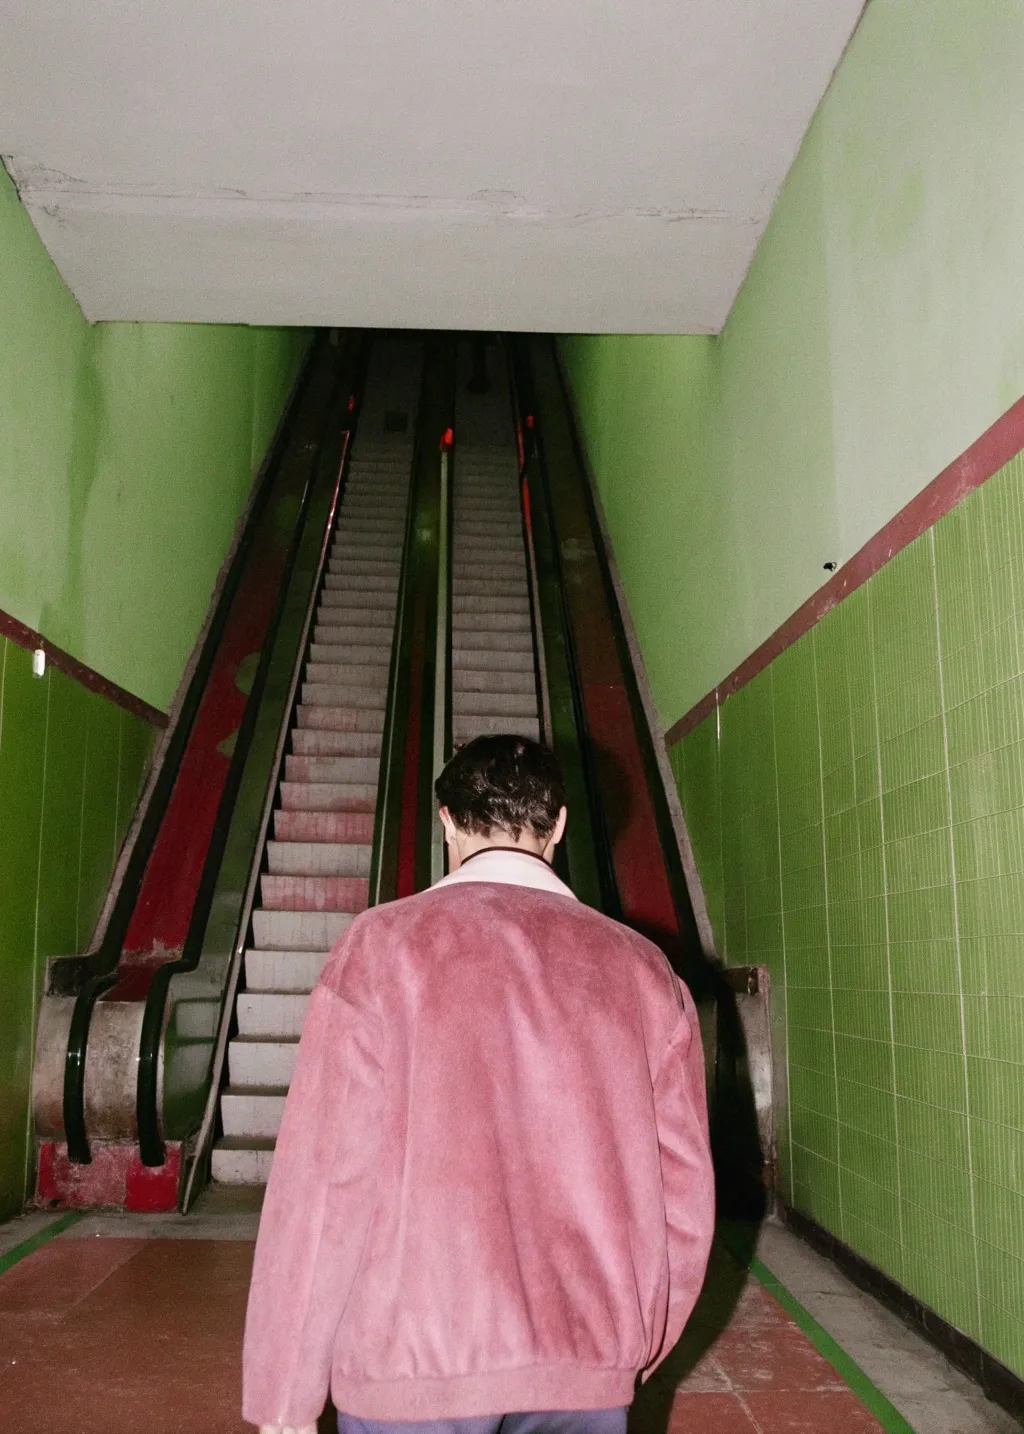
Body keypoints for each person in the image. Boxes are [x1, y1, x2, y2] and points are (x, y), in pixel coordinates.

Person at [243, 734, 715, 1434]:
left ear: (446, 821)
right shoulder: (643, 970)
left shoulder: (378, 950)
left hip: (408, 1362)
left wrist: (286, 1392)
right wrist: (629, 1349)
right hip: (584, 1357)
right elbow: (684, 1194)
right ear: (557, 826)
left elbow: (324, 1181)